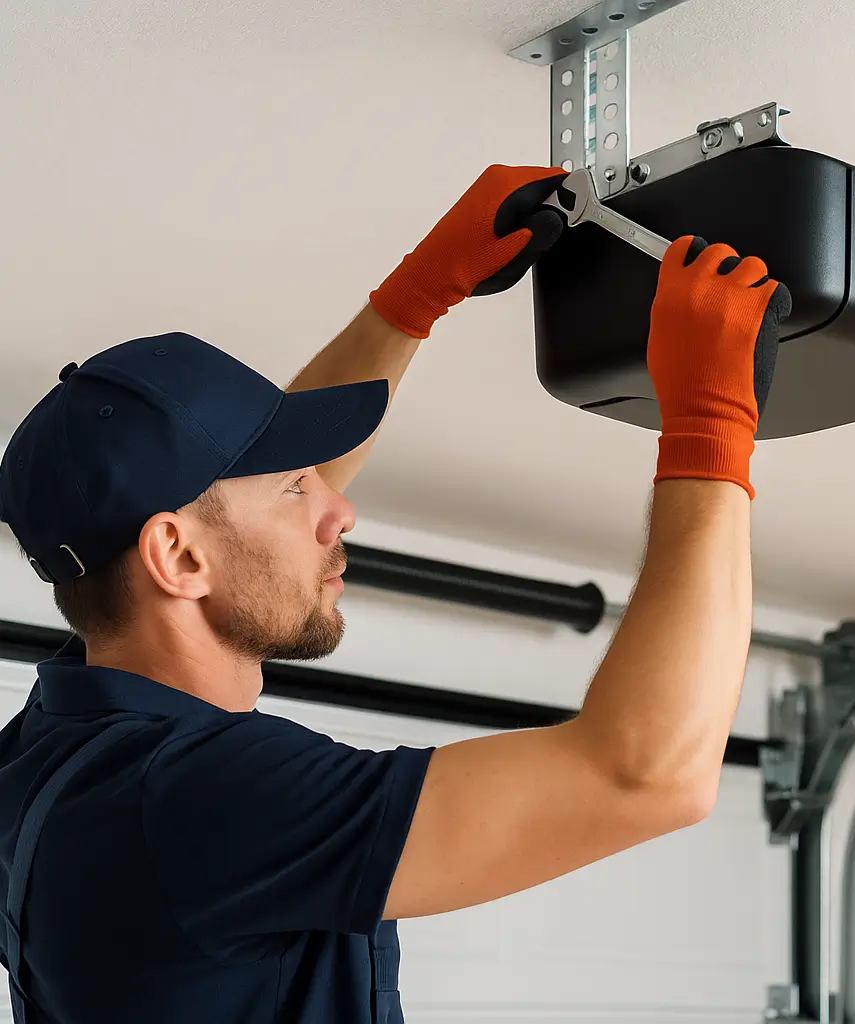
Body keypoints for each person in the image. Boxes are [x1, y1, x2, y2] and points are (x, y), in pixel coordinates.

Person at [0, 164, 791, 1023]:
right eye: (296, 488)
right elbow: (646, 777)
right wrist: (710, 427)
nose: (339, 510)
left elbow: (234, 529)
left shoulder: (48, 753)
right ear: (176, 559)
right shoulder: (201, 797)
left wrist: (415, 297)